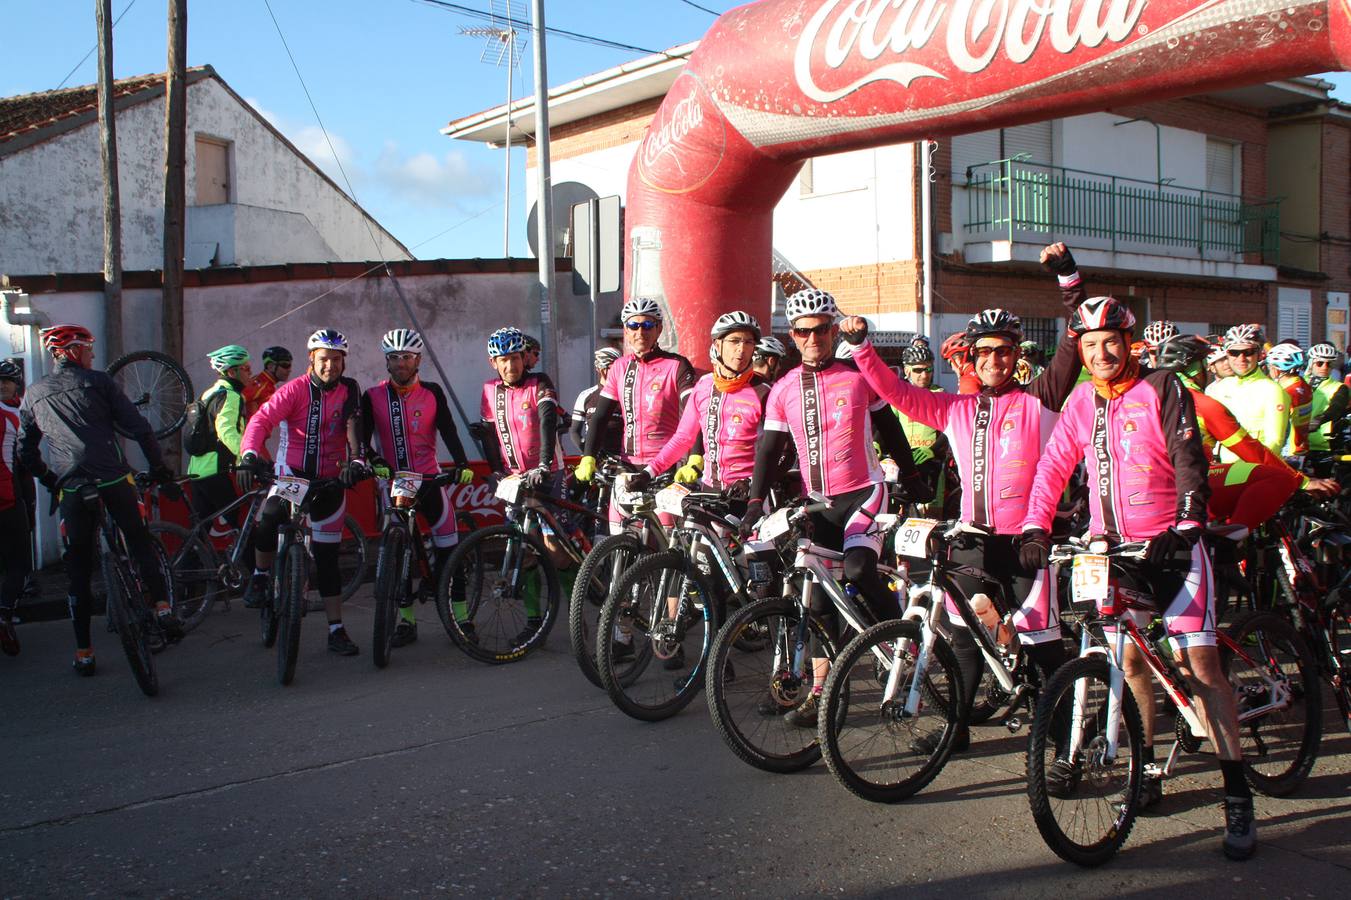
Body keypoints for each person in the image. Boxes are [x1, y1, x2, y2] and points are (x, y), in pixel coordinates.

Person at [1021, 296, 1257, 861]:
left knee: (1200, 669)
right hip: (1114, 549)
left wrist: (1188, 522)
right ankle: (1146, 765)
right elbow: (1054, 464)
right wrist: (1034, 526)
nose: (1101, 354)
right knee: (1127, 661)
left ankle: (1237, 792)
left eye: (1110, 343)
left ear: (1128, 343)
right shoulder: (1080, 400)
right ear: (1079, 350)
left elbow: (1188, 456)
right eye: (1089, 345)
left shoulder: (1162, 386)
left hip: (1172, 547)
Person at [841, 242, 1087, 752]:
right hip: (972, 540)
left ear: (1016, 357)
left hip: (1028, 541)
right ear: (972, 358)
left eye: (1003, 351)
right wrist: (864, 349)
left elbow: (1077, 338)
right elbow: (895, 392)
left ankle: (1065, 746)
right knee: (962, 638)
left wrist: (1068, 280)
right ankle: (957, 731)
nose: (994, 359)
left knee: (1045, 648)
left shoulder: (1040, 398)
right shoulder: (954, 409)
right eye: (984, 352)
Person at [746, 288, 920, 728]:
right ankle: (823, 695)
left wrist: (913, 477)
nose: (813, 338)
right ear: (792, 335)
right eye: (803, 331)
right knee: (820, 601)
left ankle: (907, 643)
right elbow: (768, 450)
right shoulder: (784, 388)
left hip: (865, 490)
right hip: (820, 502)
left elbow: (889, 426)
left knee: (860, 571)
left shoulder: (857, 374)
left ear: (832, 328)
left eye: (821, 329)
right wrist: (753, 501)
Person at [18, 324, 182, 676]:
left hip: (73, 488)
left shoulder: (33, 393)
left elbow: (25, 452)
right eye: (88, 348)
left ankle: (84, 651)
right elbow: (139, 428)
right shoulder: (100, 382)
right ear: (74, 351)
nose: (93, 354)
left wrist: (51, 479)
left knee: (77, 568)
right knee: (138, 541)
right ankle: (163, 607)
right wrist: (160, 469)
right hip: (112, 478)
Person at [236, 328, 367, 657]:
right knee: (268, 519)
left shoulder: (349, 389)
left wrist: (357, 459)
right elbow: (261, 421)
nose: (330, 366)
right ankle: (261, 575)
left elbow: (354, 425)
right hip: (293, 475)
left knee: (327, 561)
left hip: (329, 480)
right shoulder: (293, 390)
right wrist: (250, 453)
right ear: (312, 359)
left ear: (343, 362)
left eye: (337, 360)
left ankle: (336, 630)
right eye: (324, 359)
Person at [360, 329, 475, 647]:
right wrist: (373, 458)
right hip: (394, 481)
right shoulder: (372, 396)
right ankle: (406, 622)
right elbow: (362, 439)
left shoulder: (433, 392)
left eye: (407, 357)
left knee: (450, 548)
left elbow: (449, 431)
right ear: (387, 361)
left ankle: (462, 618)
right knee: (398, 555)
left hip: (429, 478)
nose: (400, 363)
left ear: (418, 360)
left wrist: (463, 464)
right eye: (394, 358)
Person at [1154, 334, 1335, 529]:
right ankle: (1231, 541)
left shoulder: (1146, 395)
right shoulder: (1200, 402)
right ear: (1195, 367)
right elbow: (1251, 450)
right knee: (1278, 477)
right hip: (1186, 484)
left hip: (1146, 485)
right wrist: (1302, 481)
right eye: (1204, 363)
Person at [574, 298, 697, 533]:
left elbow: (694, 416)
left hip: (666, 468)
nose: (640, 331)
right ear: (626, 330)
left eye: (648, 325)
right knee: (618, 534)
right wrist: (588, 456)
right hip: (627, 467)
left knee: (665, 540)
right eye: (633, 325)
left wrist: (693, 458)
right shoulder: (619, 367)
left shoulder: (677, 365)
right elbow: (600, 417)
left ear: (659, 328)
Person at [478, 327, 570, 640]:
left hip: (549, 473)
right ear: (494, 362)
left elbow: (547, 421)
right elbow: (490, 435)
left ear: (523, 358)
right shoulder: (490, 390)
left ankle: (576, 610)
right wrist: (494, 471)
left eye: (515, 358)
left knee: (555, 551)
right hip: (515, 478)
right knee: (524, 551)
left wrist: (544, 464)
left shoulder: (539, 382)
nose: (510, 365)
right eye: (503, 360)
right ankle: (533, 620)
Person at [186, 345, 251, 536]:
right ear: (232, 371)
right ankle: (258, 567)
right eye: (246, 369)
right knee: (242, 527)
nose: (250, 373)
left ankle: (186, 564)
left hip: (197, 470)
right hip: (216, 471)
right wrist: (246, 454)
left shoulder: (210, 392)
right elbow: (226, 430)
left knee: (199, 533)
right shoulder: (231, 395)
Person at [1206, 325, 1288, 460]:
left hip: (1256, 472)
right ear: (1227, 354)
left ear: (1259, 353)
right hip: (1223, 471)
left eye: (1248, 352)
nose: (1241, 358)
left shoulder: (1272, 390)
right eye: (1234, 352)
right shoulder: (1218, 389)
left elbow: (1275, 442)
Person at [893, 338, 955, 517]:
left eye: (928, 369)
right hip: (905, 462)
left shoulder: (940, 395)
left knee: (931, 517)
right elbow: (886, 426)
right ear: (907, 371)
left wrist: (933, 451)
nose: (924, 375)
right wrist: (878, 446)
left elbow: (949, 430)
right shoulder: (899, 396)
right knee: (899, 515)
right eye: (918, 370)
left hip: (931, 462)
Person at [0, 360, 32, 657]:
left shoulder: (19, 410)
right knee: (18, 564)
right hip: (9, 497)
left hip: (15, 493)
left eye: (6, 381)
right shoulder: (13, 417)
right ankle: (5, 613)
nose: (2, 386)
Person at [570, 347, 622, 456]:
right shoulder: (585, 396)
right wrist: (588, 453)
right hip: (596, 458)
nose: (619, 372)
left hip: (622, 457)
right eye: (613, 368)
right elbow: (574, 431)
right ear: (601, 369)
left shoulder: (625, 394)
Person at [1266, 342, 1312, 462]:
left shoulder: (1286, 393)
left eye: (1270, 367)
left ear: (1276, 370)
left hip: (1287, 452)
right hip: (1300, 447)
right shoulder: (1303, 385)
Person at [1306, 342, 1348, 460]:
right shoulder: (1299, 383)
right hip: (1295, 444)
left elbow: (1336, 408)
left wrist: (1320, 419)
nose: (1325, 367)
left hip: (1321, 445)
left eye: (1329, 364)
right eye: (1320, 363)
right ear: (1311, 363)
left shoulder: (1339, 387)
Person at [243, 346, 293, 418]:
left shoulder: (267, 384)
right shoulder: (260, 384)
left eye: (290, 365)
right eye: (285, 365)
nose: (289, 369)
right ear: (270, 366)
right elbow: (235, 402)